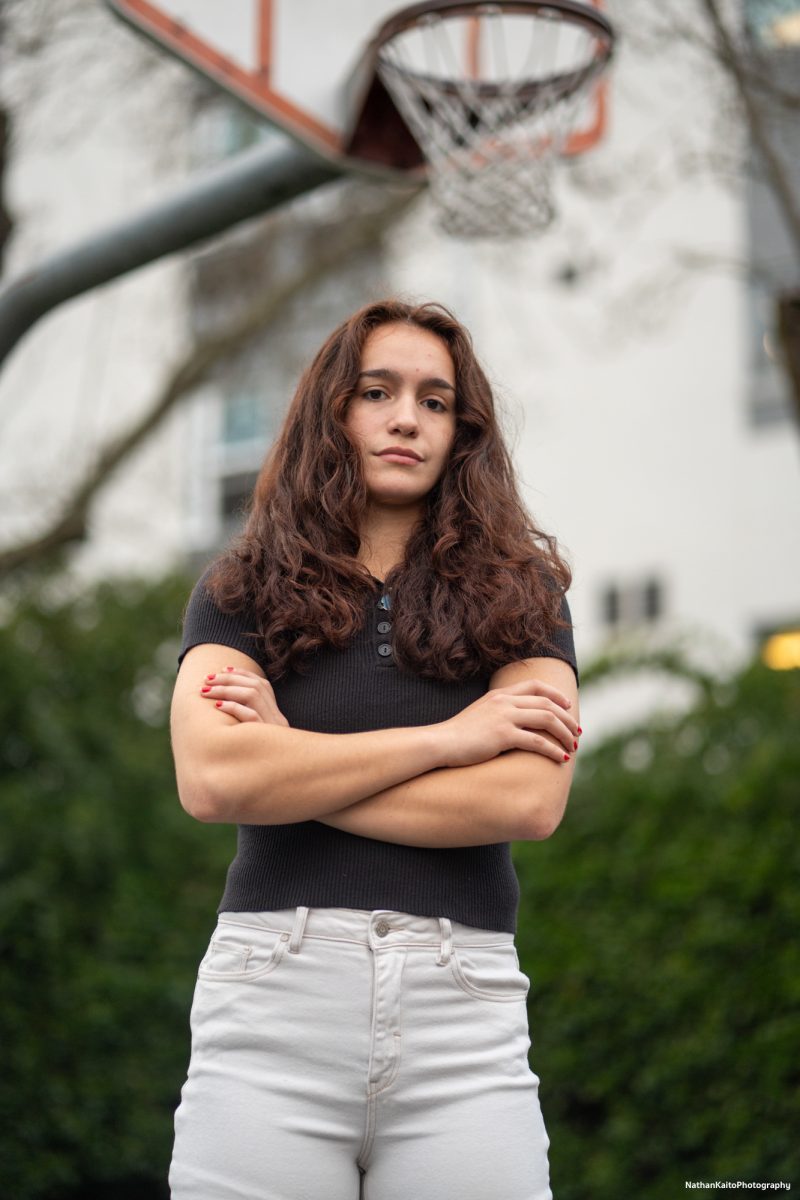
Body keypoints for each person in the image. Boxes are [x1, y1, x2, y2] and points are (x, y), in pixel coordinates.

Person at [168, 299, 581, 1200]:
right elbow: (212, 779)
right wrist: (450, 739)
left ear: (462, 432)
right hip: (272, 995)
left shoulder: (524, 595)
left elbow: (524, 801)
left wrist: (289, 762)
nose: (407, 418)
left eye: (436, 402)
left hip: (461, 1008)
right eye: (377, 391)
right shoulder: (241, 586)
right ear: (334, 412)